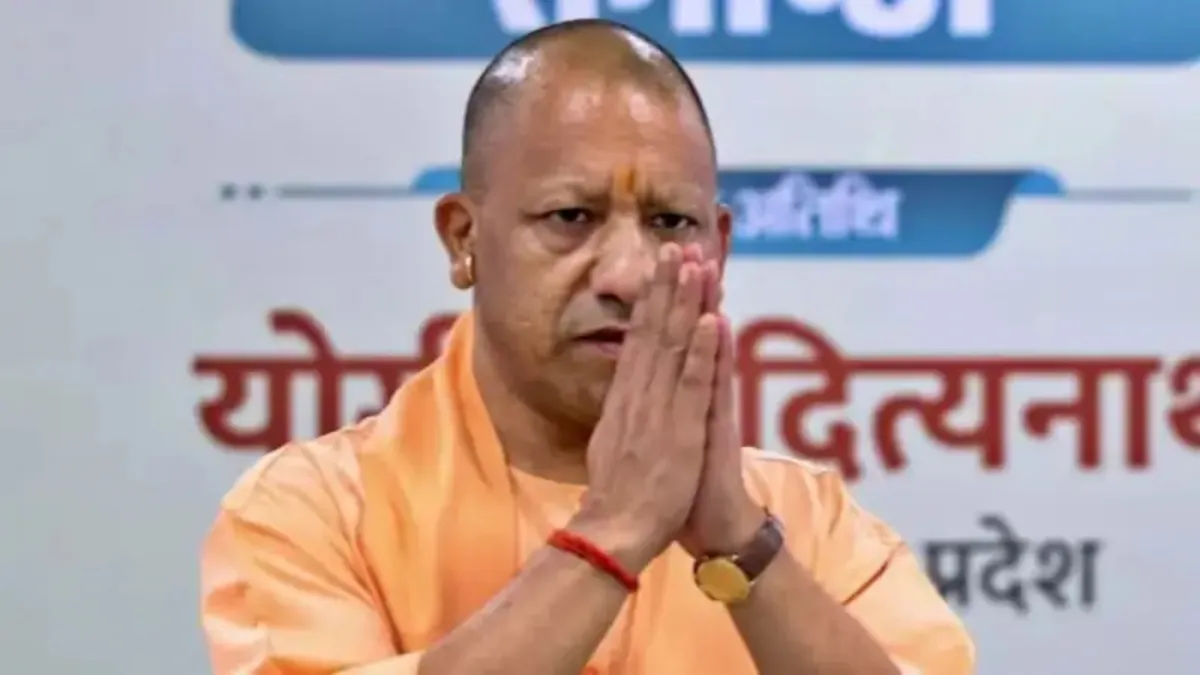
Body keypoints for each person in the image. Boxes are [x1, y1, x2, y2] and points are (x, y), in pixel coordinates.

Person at [200, 18, 974, 675]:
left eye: (670, 223)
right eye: (571, 217)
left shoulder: (807, 522)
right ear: (464, 238)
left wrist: (739, 544)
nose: (629, 274)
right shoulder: (314, 511)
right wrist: (612, 533)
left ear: (720, 246)